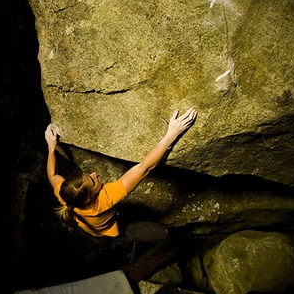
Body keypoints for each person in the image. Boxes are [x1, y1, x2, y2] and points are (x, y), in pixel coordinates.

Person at [45, 107, 198, 253]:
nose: (94, 174)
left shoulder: (65, 195)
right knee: (163, 233)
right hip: (110, 234)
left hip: (89, 229)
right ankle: (123, 242)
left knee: (95, 235)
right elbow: (145, 168)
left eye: (88, 175)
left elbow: (52, 175)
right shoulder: (107, 199)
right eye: (92, 181)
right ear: (91, 198)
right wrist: (171, 135)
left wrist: (51, 146)